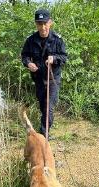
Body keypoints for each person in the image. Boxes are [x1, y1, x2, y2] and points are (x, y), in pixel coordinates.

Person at [21, 9, 68, 139]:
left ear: (50, 23)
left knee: (48, 108)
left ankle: (44, 136)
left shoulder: (57, 40)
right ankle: (45, 129)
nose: (42, 27)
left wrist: (54, 59)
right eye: (39, 24)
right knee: (43, 106)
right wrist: (28, 64)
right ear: (36, 24)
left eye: (45, 23)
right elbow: (25, 56)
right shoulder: (30, 40)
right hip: (39, 79)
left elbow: (64, 57)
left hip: (53, 79)